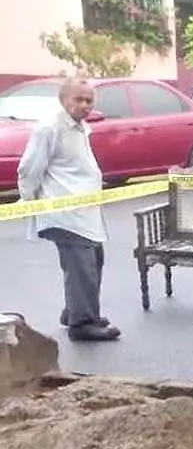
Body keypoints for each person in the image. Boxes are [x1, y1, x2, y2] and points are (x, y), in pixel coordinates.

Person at [17, 77, 119, 342]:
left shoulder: (80, 128)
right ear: (64, 100)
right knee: (82, 266)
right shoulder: (49, 128)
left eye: (89, 100)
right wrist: (29, 201)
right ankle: (82, 324)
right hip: (64, 212)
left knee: (94, 261)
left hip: (84, 212)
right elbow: (29, 168)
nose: (85, 105)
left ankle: (76, 310)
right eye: (79, 99)